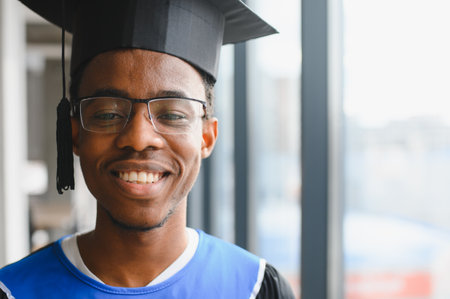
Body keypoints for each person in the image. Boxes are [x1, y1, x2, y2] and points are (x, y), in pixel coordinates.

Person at [0, 0, 295, 298]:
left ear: (207, 137)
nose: (139, 138)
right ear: (74, 134)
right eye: (107, 114)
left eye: (172, 115)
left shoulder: (255, 289)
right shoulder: (14, 291)